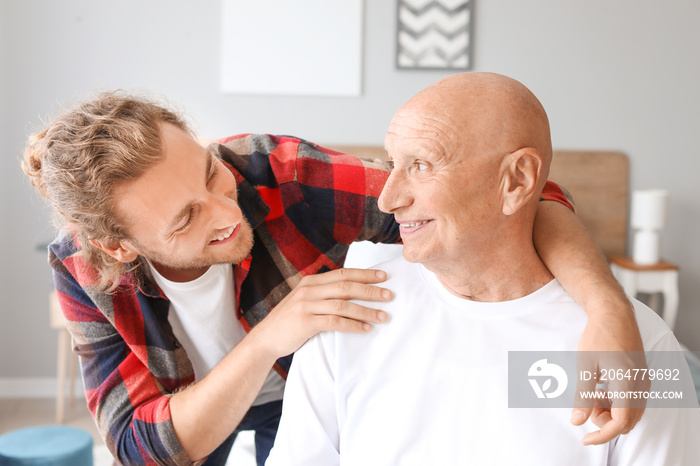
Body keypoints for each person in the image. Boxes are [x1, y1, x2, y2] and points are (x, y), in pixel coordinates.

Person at [24, 89, 642, 466]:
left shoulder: (643, 345)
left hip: (296, 390)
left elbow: (537, 199)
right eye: (186, 217)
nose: (227, 208)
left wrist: (612, 310)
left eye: (212, 173)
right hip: (209, 408)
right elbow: (141, 448)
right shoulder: (84, 266)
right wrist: (269, 338)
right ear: (118, 246)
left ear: (514, 180)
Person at [265, 72, 700, 465]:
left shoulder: (641, 347)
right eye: (393, 163)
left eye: (421, 165)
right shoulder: (345, 314)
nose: (387, 199)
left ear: (516, 181)